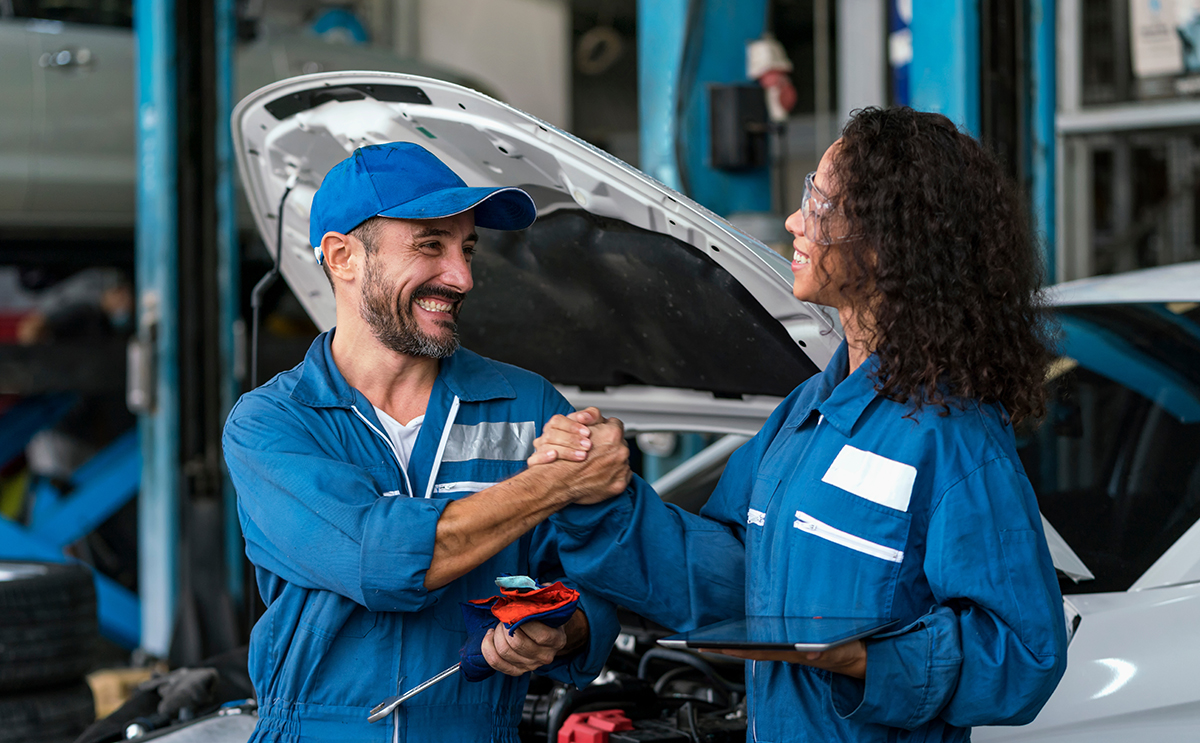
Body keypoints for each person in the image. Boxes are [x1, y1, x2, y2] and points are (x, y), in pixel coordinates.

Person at [534, 107, 1068, 742]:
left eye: (819, 200)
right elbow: (728, 576)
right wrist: (603, 500)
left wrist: (866, 660)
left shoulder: (952, 435)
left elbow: (1022, 653)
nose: (793, 221)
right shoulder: (803, 415)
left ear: (887, 240)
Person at [222, 142, 633, 743]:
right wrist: (555, 481)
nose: (462, 277)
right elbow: (378, 559)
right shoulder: (275, 424)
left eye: (467, 248)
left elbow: (596, 578)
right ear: (343, 257)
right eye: (429, 246)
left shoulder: (528, 408)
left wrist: (563, 630)